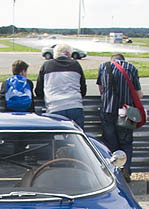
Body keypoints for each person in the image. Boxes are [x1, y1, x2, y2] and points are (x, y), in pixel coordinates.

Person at [96, 53, 141, 181]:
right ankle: (126, 170)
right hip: (126, 113)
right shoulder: (131, 68)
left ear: (112, 59)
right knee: (126, 143)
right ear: (123, 59)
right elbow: (138, 93)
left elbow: (101, 90)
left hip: (107, 111)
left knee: (110, 143)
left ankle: (113, 173)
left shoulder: (103, 67)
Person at [35, 43, 87, 128]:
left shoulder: (47, 65)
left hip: (54, 107)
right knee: (77, 137)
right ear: (67, 53)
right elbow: (83, 89)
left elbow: (38, 90)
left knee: (54, 138)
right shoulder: (75, 65)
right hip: (75, 106)